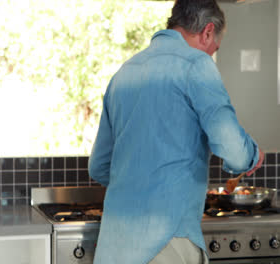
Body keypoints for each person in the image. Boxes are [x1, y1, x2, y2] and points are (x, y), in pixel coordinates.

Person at [88, 0, 264, 263]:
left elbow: (99, 167)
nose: (211, 56)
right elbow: (234, 152)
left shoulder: (124, 73)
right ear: (207, 31)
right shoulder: (196, 66)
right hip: (166, 242)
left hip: (115, 245)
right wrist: (252, 155)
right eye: (213, 49)